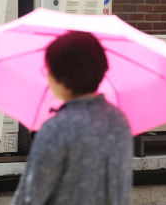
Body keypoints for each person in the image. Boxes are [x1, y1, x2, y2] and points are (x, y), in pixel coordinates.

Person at [12, 31, 133, 205]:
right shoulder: (119, 120)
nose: (47, 75)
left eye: (48, 69)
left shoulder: (57, 128)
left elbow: (29, 198)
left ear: (62, 75)